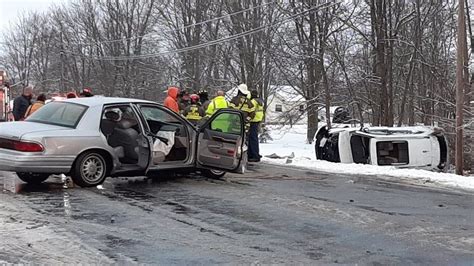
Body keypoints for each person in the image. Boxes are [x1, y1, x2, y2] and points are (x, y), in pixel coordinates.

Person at [248, 90, 264, 162]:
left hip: (253, 121)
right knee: (254, 138)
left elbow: (251, 111)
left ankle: (254, 155)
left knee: (252, 138)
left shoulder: (253, 101)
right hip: (258, 120)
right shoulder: (260, 101)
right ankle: (253, 154)